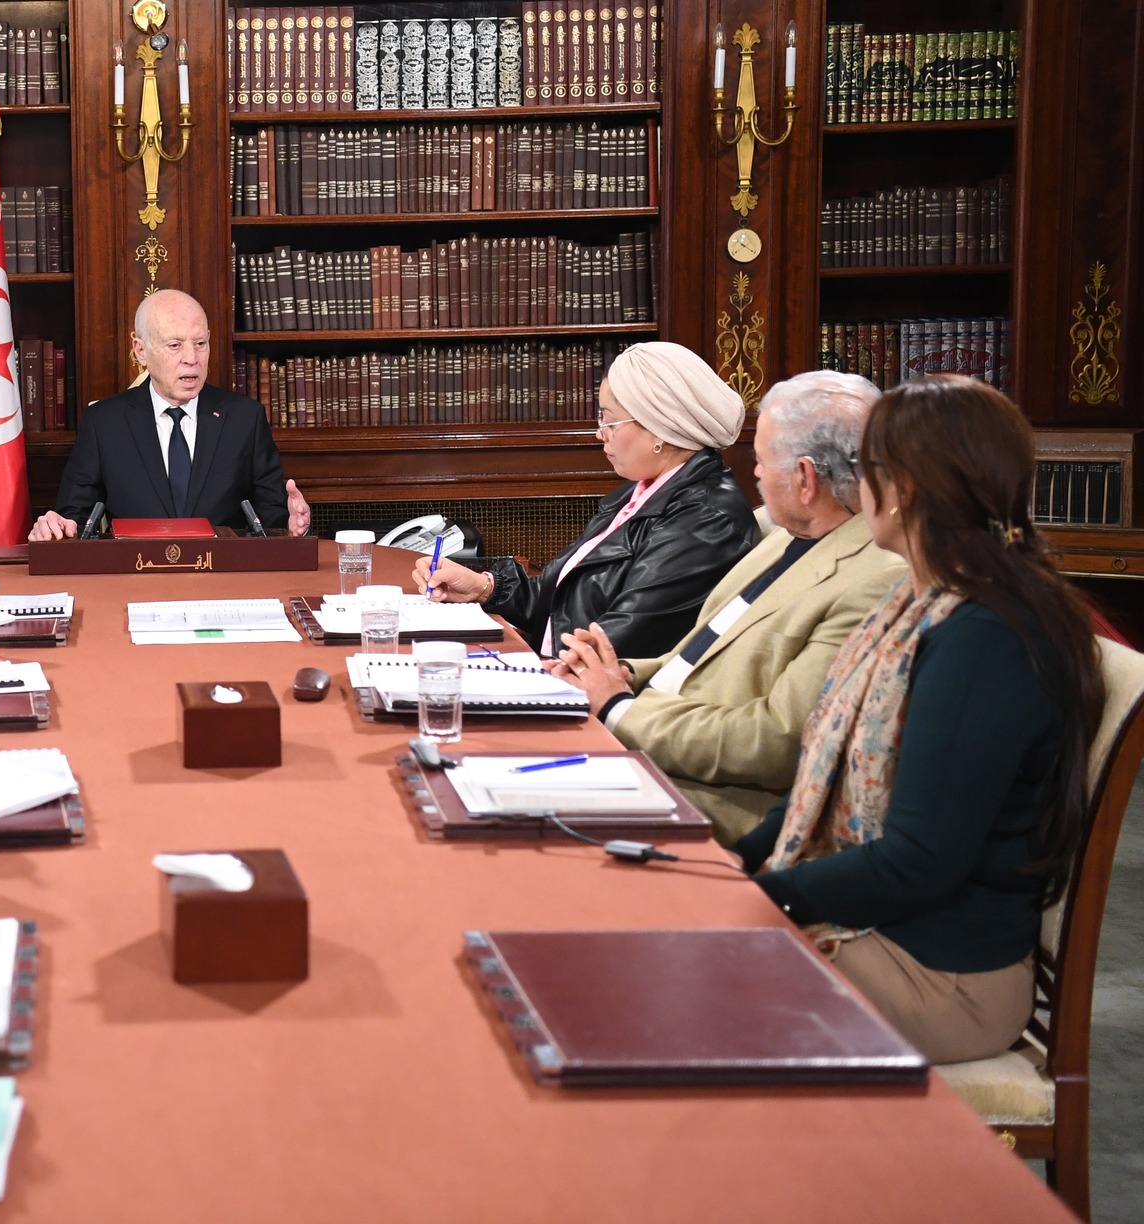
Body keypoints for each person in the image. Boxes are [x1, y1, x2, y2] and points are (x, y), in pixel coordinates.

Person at [734, 376, 1106, 1064]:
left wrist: (761, 897)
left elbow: (919, 864)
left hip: (942, 976)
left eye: (867, 470)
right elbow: (832, 768)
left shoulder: (986, 636)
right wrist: (739, 862)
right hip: (894, 932)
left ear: (901, 488)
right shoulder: (925, 601)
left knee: (682, 987)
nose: (856, 486)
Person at [547, 371, 904, 843]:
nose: (752, 475)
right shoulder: (781, 535)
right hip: (651, 748)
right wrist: (622, 671)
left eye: (760, 461)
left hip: (716, 806)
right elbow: (701, 652)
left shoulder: (876, 579)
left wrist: (617, 707)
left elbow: (777, 740)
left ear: (804, 478)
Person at [413, 341, 759, 660]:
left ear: (659, 428)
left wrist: (510, 669)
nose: (599, 433)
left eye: (609, 420)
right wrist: (484, 588)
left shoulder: (706, 521)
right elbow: (565, 604)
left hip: (599, 706)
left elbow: (616, 642)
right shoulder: (640, 493)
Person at [28, 289, 313, 541]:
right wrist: (55, 527)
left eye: (200, 343)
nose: (192, 357)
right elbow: (73, 520)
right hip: (133, 580)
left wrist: (292, 526)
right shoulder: (103, 423)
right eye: (175, 345)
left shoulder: (244, 418)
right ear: (141, 350)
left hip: (220, 582)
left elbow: (272, 520)